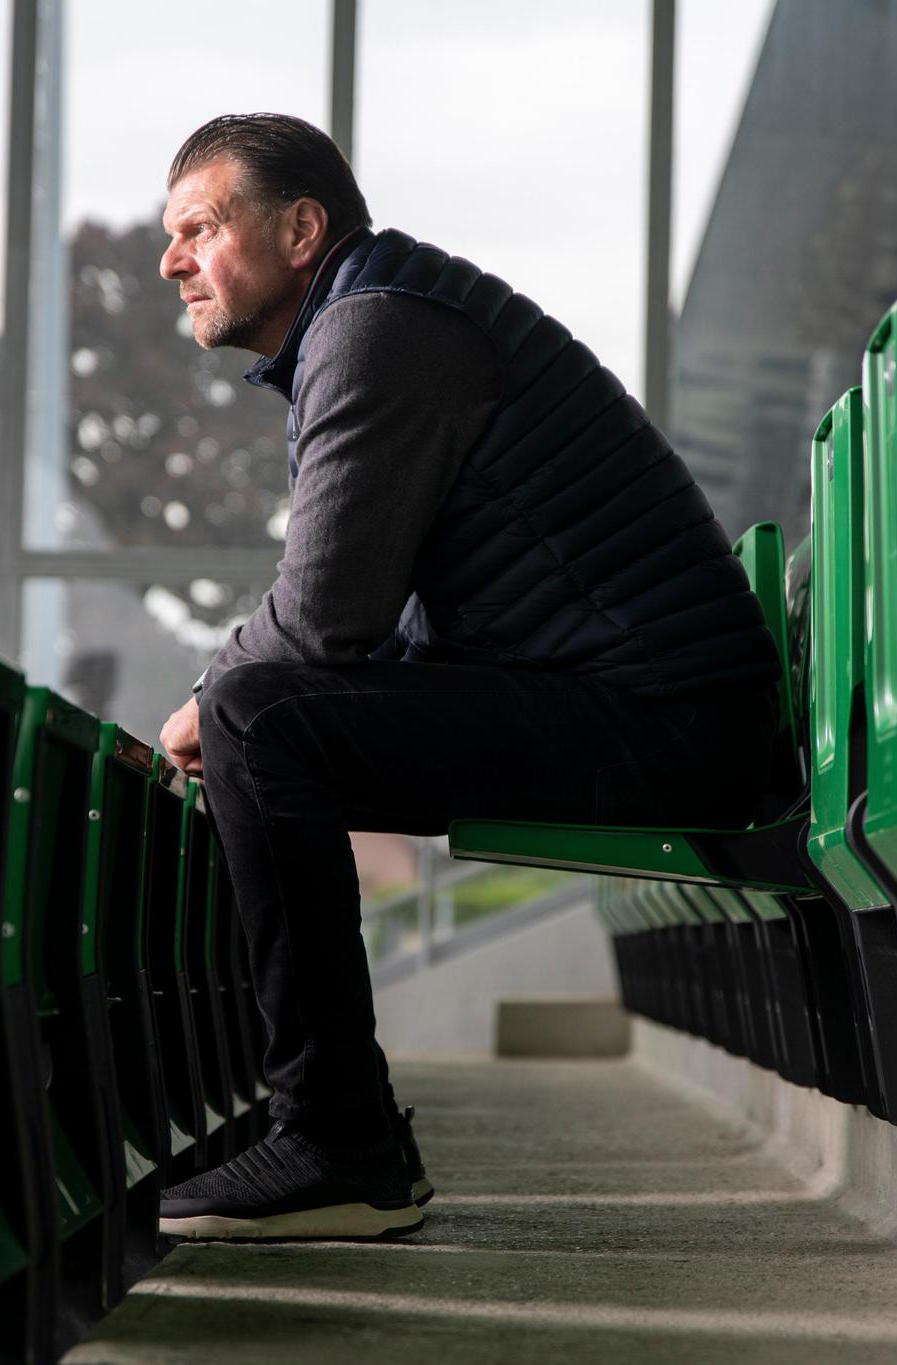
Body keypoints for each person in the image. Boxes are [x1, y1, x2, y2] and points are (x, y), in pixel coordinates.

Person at [152, 114, 784, 1242]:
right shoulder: (376, 318)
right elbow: (384, 631)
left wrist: (209, 697)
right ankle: (333, 1132)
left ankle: (338, 1141)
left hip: (669, 723)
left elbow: (324, 616)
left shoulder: (377, 330)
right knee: (259, 722)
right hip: (645, 708)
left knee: (256, 718)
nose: (171, 260)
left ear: (300, 231)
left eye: (200, 227)